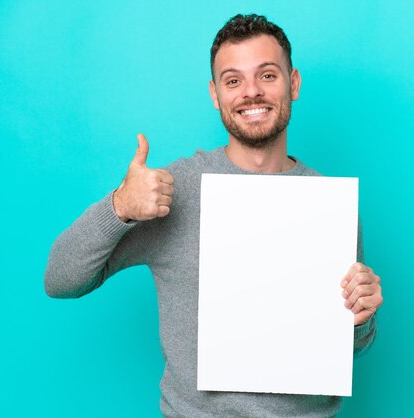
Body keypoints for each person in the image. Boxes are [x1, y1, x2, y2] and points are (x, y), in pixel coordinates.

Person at [45, 13, 383, 418]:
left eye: (268, 76)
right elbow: (59, 279)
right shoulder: (172, 190)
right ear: (215, 94)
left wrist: (360, 317)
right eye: (233, 80)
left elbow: (351, 347)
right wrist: (119, 206)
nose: (251, 93)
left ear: (293, 84)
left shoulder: (329, 203)